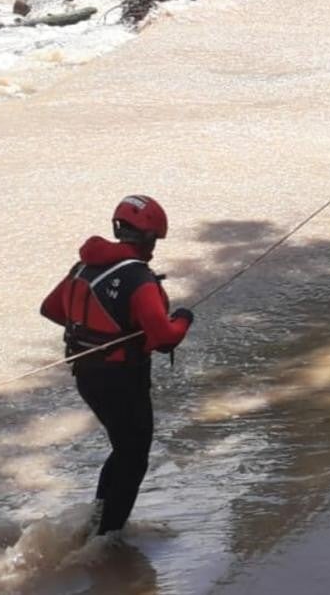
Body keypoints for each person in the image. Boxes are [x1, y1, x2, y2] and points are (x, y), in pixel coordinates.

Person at [40, 195, 193, 540]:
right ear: (149, 238)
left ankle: (99, 521)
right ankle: (107, 541)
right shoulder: (139, 279)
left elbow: (50, 308)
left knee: (123, 448)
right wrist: (184, 317)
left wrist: (96, 330)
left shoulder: (83, 267)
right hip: (122, 379)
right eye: (155, 240)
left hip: (86, 375)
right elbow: (165, 338)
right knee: (134, 455)